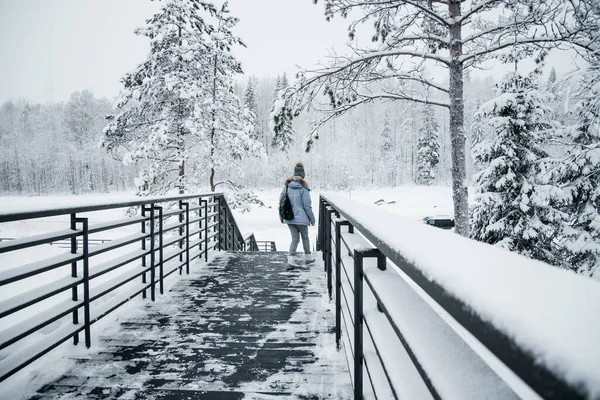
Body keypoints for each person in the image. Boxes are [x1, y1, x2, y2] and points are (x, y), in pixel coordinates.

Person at [279, 162, 316, 268]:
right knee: (305, 238)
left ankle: (291, 260)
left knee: (294, 239)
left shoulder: (286, 187)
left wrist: (281, 217)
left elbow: (281, 203)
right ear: (303, 175)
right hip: (302, 219)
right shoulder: (304, 189)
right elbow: (307, 206)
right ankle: (308, 259)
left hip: (289, 218)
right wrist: (312, 219)